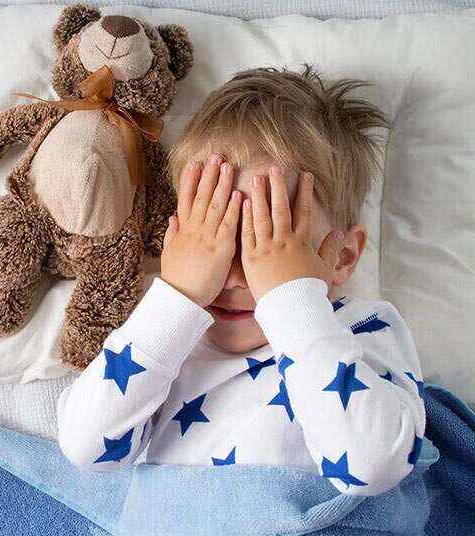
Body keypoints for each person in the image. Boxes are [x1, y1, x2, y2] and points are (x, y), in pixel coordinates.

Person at [56, 67, 427, 496]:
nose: (231, 277)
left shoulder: (359, 330)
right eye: (212, 242)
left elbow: (371, 465)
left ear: (342, 257)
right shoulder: (167, 344)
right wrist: (179, 298)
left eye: (269, 246)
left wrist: (293, 305)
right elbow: (85, 446)